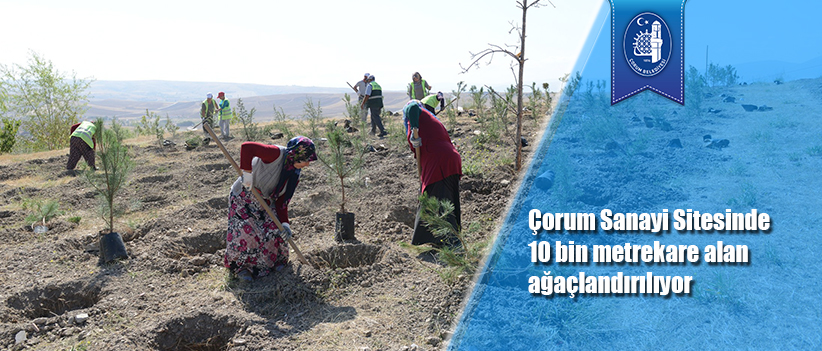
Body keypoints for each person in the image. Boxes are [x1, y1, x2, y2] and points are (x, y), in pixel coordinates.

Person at [224, 136, 318, 281]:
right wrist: (247, 174)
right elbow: (247, 147)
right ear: (297, 155)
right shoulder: (276, 154)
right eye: (306, 159)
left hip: (265, 201)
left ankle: (272, 264)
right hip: (243, 198)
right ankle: (242, 269)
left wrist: (285, 225)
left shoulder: (293, 174)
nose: (307, 164)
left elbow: (282, 202)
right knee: (245, 234)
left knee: (276, 230)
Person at [402, 100, 462, 248]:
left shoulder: (415, 111)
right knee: (443, 199)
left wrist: (414, 128)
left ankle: (450, 242)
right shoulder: (429, 119)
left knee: (437, 199)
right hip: (447, 159)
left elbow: (412, 106)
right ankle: (439, 239)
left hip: (439, 161)